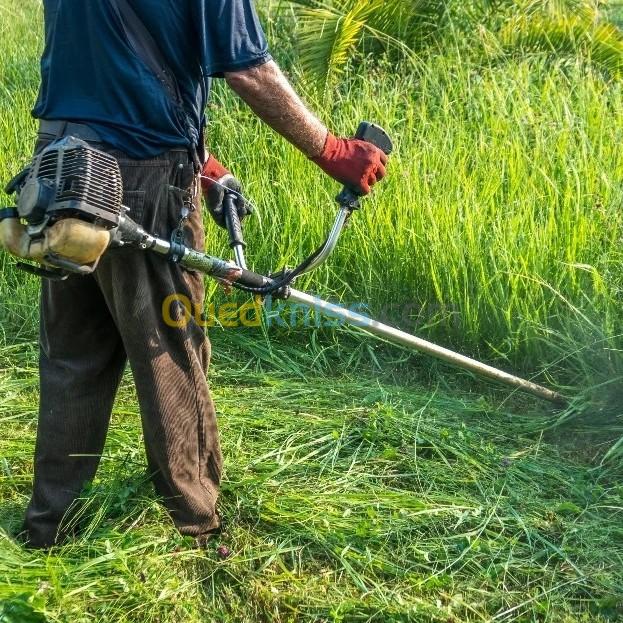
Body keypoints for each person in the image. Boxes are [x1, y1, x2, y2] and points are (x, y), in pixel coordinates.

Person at [1, 0, 388, 549]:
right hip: (142, 174)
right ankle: (193, 526)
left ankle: (51, 526)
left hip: (62, 165)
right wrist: (334, 151)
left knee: (73, 356)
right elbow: (248, 68)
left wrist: (204, 166)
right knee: (169, 348)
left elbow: (115, 66)